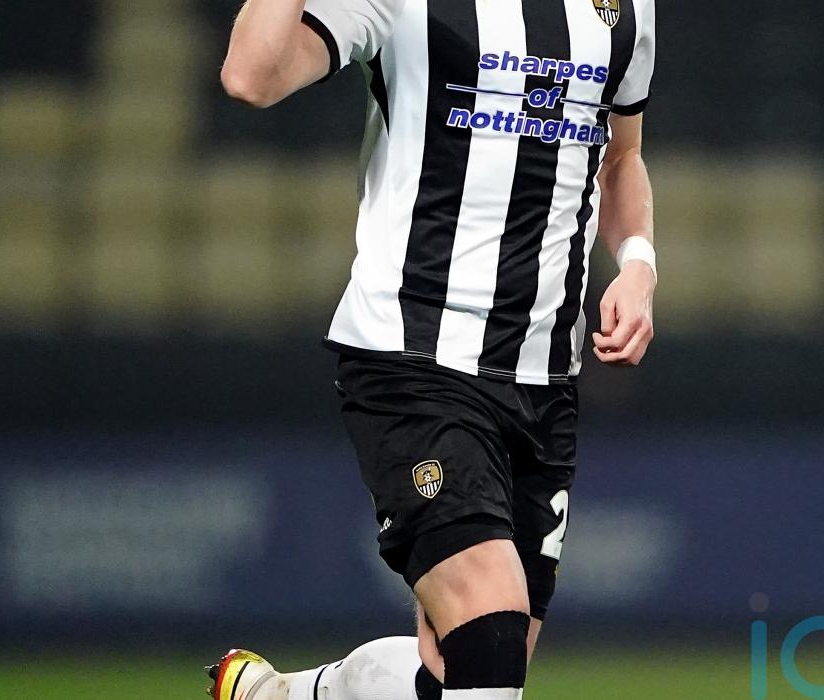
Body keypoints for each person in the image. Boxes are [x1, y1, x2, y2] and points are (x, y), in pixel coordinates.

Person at [208, 0, 656, 698]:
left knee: (465, 671)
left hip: (542, 382)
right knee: (490, 626)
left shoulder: (625, 6)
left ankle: (282, 696)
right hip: (413, 358)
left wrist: (637, 262)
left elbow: (620, 154)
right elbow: (250, 76)